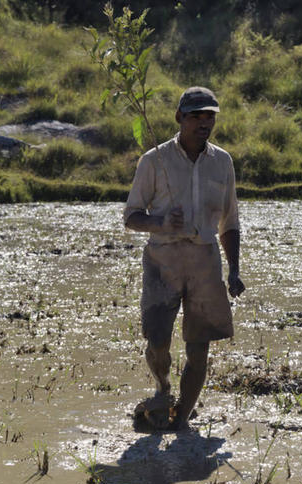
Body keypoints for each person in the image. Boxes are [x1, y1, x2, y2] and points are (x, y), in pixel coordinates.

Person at [124, 86, 245, 430]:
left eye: (210, 116)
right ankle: (162, 388)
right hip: (164, 260)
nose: (204, 123)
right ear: (179, 118)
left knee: (199, 347)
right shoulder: (154, 160)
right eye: (196, 116)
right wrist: (160, 223)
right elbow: (131, 216)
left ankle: (183, 418)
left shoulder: (222, 162)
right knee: (158, 339)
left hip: (205, 261)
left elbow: (230, 222)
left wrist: (234, 268)